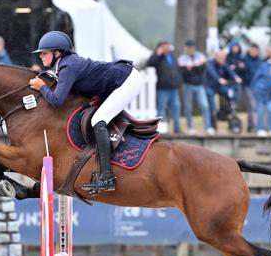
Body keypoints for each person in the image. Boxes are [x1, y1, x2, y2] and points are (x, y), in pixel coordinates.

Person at [28, 31, 143, 195]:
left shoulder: (67, 66)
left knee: (98, 120)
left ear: (57, 53)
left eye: (44, 53)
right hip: (120, 79)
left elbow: (56, 101)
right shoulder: (65, 64)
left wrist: (42, 87)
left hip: (127, 80)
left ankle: (107, 177)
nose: (41, 56)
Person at [178, 40, 213, 135]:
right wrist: (195, 68)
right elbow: (184, 72)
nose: (190, 49)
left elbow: (202, 69)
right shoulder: (182, 58)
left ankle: (208, 127)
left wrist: (191, 68)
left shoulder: (200, 56)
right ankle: (190, 127)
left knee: (205, 106)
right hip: (187, 85)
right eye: (188, 47)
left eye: (191, 47)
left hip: (199, 85)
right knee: (188, 108)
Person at [147, 41, 182, 133]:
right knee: (161, 109)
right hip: (162, 88)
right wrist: (158, 53)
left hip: (174, 88)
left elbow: (177, 69)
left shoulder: (172, 56)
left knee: (176, 107)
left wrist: (178, 81)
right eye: (165, 47)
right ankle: (163, 129)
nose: (168, 48)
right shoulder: (158, 57)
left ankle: (176, 128)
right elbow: (150, 63)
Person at [204, 49, 241, 131]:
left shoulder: (224, 63)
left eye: (224, 58)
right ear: (216, 57)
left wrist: (236, 77)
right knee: (211, 105)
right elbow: (212, 72)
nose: (223, 60)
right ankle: (211, 124)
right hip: (210, 87)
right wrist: (219, 79)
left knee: (231, 94)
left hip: (219, 87)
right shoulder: (210, 63)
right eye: (221, 58)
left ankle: (227, 111)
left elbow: (230, 71)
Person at [242, 44, 263, 132]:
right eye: (252, 50)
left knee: (255, 107)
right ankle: (253, 126)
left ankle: (253, 125)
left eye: (255, 50)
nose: (253, 52)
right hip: (248, 86)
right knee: (252, 105)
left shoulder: (260, 61)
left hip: (258, 87)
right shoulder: (244, 60)